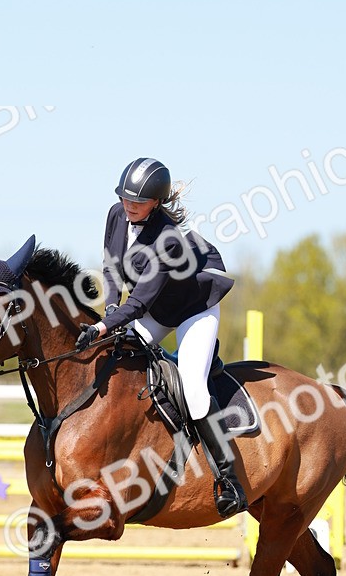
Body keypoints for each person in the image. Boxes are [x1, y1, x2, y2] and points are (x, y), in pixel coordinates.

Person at [75, 157, 249, 519]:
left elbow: (138, 302)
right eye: (125, 199)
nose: (129, 206)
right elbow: (110, 268)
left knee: (193, 386)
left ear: (156, 203)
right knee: (117, 356)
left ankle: (228, 479)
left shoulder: (168, 238)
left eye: (137, 202)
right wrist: (108, 311)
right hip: (155, 308)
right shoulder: (116, 214)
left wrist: (103, 327)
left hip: (192, 309)